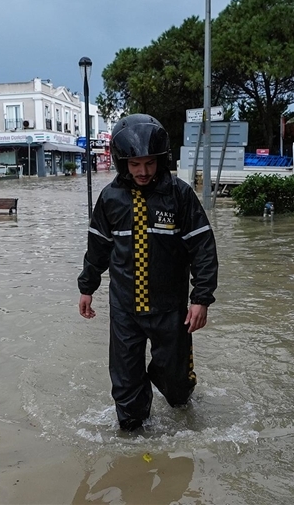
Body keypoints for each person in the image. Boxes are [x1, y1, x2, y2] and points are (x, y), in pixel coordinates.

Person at [77, 114, 218, 432]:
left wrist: (201, 298)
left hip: (170, 309)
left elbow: (203, 248)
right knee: (126, 381)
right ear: (121, 161)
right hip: (125, 308)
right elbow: (98, 247)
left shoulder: (179, 195)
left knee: (177, 385)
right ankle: (132, 436)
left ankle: (176, 397)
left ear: (160, 160)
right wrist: (87, 287)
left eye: (149, 164)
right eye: (135, 164)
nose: (143, 172)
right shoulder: (110, 199)